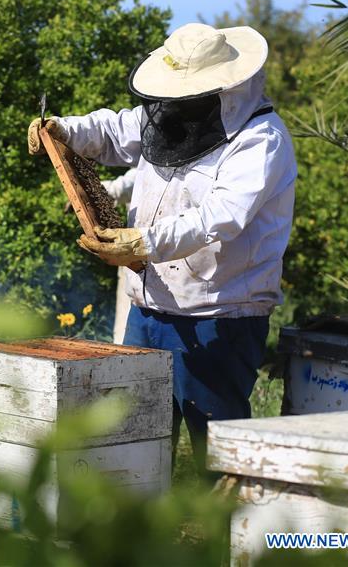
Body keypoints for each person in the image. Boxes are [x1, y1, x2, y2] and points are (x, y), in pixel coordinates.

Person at [28, 23, 297, 472]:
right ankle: (142, 539)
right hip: (149, 310)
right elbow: (114, 130)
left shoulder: (260, 141)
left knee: (217, 450)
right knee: (135, 446)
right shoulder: (171, 113)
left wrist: (144, 241)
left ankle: (229, 539)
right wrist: (64, 129)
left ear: (223, 89)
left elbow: (219, 217)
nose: (173, 104)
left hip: (220, 317)